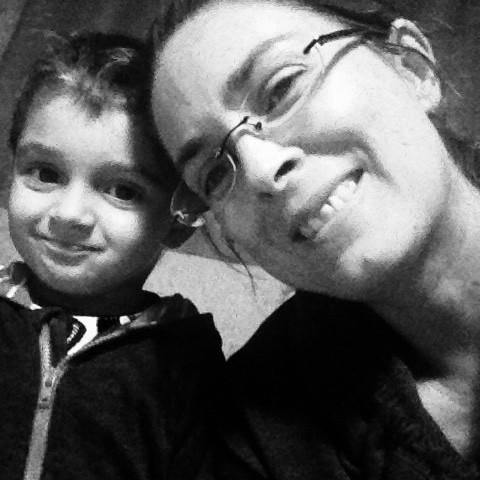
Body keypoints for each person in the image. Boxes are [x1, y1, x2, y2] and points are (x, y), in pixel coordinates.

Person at [150, 0, 480, 478]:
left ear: (410, 67)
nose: (260, 170)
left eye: (282, 88)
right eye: (215, 173)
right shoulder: (260, 428)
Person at [0, 31, 224, 480]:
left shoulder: (183, 361)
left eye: (123, 190)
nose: (69, 214)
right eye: (45, 173)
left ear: (180, 219)